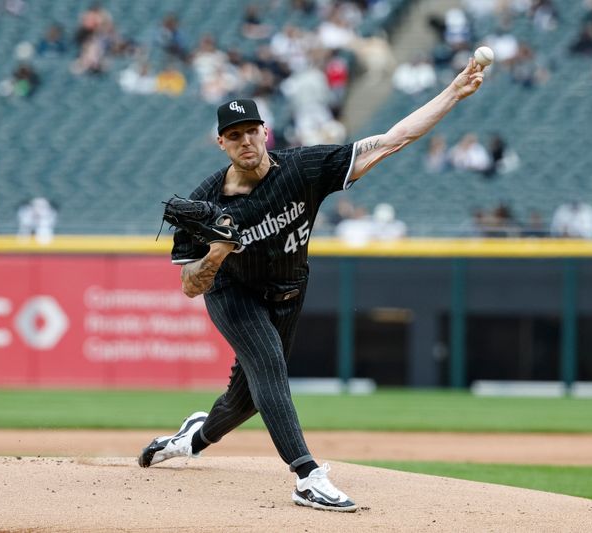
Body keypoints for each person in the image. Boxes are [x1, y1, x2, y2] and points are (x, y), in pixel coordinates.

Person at [137, 57, 487, 512]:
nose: (246, 140)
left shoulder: (304, 169)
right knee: (270, 369)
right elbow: (189, 284)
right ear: (220, 142)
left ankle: (193, 438)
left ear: (266, 132)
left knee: (246, 401)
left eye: (252, 130)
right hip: (233, 292)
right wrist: (219, 250)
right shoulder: (204, 203)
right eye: (235, 135)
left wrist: (454, 92)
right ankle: (308, 475)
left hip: (288, 290)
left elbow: (393, 140)